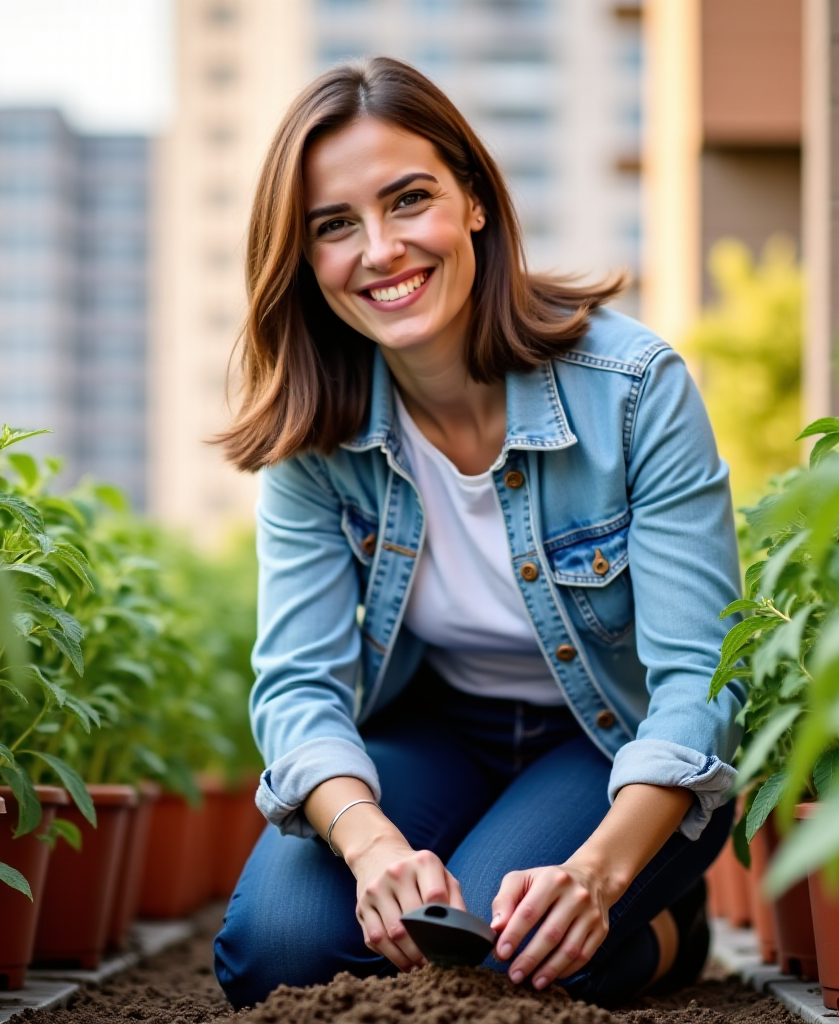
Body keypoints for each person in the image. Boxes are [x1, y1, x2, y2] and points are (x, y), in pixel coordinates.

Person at [211, 57, 743, 1009]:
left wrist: (598, 875)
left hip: (609, 749)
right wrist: (371, 843)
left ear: (475, 202)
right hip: (437, 730)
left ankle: (665, 930)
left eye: (408, 200)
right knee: (277, 950)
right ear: (304, 258)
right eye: (334, 225)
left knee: (496, 955)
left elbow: (700, 678)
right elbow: (298, 685)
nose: (381, 250)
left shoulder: (633, 390)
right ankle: (505, 876)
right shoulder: (315, 433)